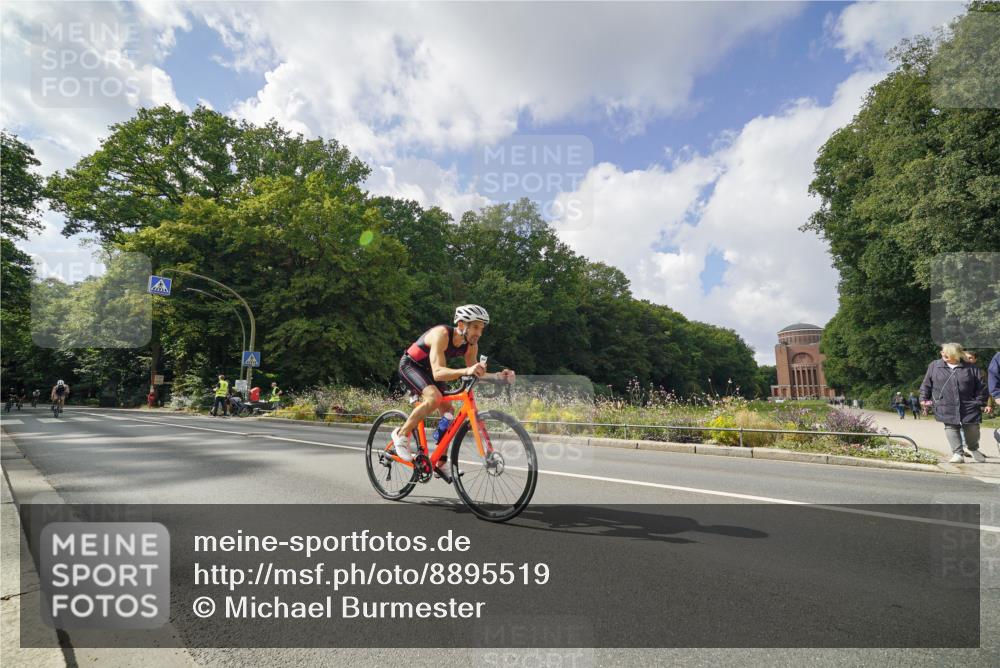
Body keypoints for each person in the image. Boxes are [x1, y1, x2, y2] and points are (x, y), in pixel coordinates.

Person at [393, 304, 515, 479]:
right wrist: (466, 371)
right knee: (434, 398)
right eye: (475, 327)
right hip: (412, 366)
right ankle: (401, 434)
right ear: (461, 324)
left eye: (481, 329)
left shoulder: (471, 346)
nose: (479, 333)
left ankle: (440, 462)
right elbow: (439, 372)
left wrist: (498, 376)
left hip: (432, 372)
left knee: (449, 412)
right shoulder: (441, 334)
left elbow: (475, 371)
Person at [919, 343, 989, 463]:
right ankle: (958, 454)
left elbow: (981, 387)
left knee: (972, 427)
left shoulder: (971, 368)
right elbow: (926, 384)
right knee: (950, 426)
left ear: (957, 354)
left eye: (947, 352)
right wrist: (923, 398)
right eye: (942, 352)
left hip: (969, 404)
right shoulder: (935, 366)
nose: (943, 354)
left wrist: (979, 402)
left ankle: (973, 448)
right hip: (945, 402)